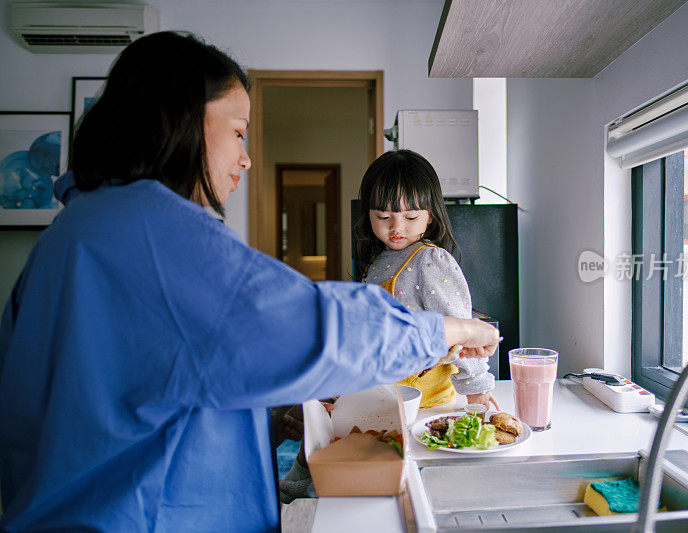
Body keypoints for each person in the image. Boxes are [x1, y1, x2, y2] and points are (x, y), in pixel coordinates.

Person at [0, 31, 499, 532]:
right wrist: (451, 331)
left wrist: (264, 417)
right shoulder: (160, 239)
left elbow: (123, 397)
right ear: (183, 124)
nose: (246, 157)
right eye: (238, 132)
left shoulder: (78, 231)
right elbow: (316, 328)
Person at [354, 149, 499, 411]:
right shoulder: (377, 263)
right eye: (383, 217)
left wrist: (477, 390)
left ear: (430, 215)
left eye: (410, 217)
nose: (396, 228)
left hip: (426, 404)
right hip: (385, 399)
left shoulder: (431, 260)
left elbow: (461, 332)